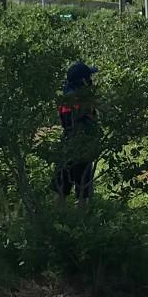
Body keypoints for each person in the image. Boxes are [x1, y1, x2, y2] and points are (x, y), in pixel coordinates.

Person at [55, 60, 100, 204]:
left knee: (62, 184)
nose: (91, 81)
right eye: (89, 78)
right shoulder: (81, 100)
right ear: (83, 80)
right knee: (82, 187)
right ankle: (80, 217)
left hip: (67, 141)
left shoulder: (66, 97)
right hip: (82, 142)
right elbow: (89, 121)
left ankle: (60, 217)